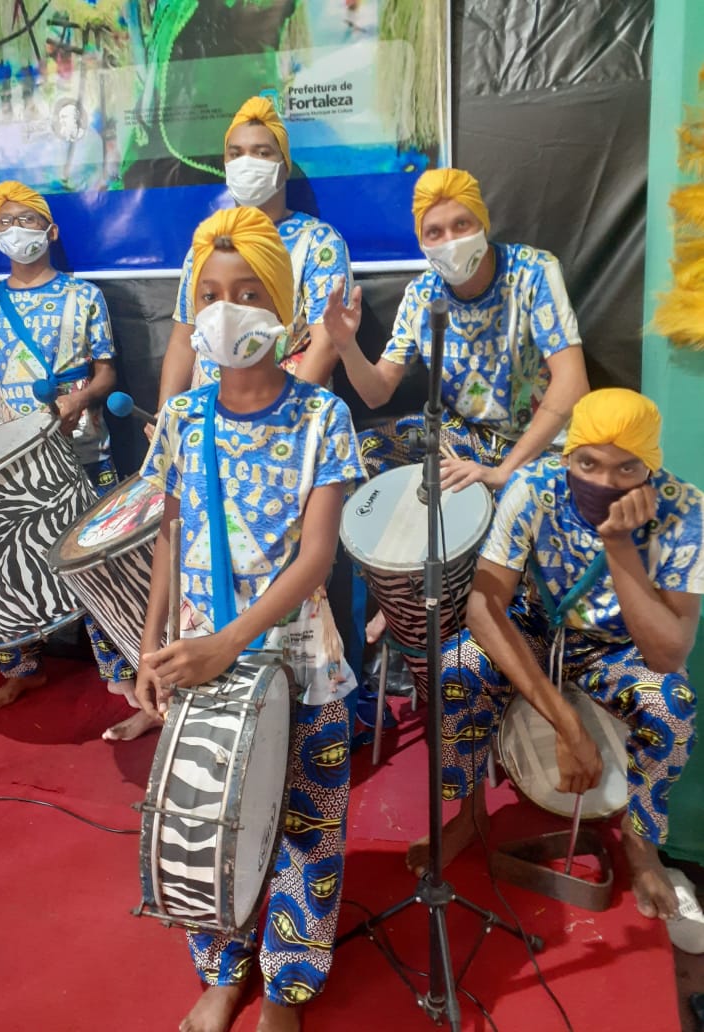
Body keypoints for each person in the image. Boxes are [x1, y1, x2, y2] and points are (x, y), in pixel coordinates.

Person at [135, 205, 365, 1032]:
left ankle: (285, 987)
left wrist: (224, 644)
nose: (227, 310)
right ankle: (223, 972)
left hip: (299, 661)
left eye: (248, 293)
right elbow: (168, 533)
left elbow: (317, 560)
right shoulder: (183, 418)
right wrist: (151, 642)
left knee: (308, 824)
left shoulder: (322, 418)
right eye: (211, 294)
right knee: (208, 826)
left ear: (284, 308)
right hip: (198, 655)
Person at [414, 388, 701, 924]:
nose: (604, 481)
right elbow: (483, 608)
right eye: (588, 463)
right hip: (538, 628)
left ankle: (640, 841)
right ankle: (469, 813)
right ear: (568, 456)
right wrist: (568, 726)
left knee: (673, 708)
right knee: (456, 667)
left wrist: (619, 544)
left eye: (626, 467)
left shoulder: (684, 511)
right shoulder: (534, 487)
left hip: (617, 647)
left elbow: (666, 654)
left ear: (650, 467)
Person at [323, 165, 590, 641]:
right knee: (357, 454)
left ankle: (503, 624)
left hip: (541, 444)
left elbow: (573, 386)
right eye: (435, 232)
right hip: (462, 436)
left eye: (461, 225)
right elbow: (377, 391)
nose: (450, 240)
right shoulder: (422, 294)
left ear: (482, 223)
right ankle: (398, 593)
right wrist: (345, 346)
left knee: (529, 496)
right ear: (422, 242)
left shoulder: (532, 272)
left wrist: (504, 470)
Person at [0, 180, 137, 727]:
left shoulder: (84, 297)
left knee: (97, 564)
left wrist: (80, 398)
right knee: (9, 565)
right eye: (5, 222)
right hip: (13, 461)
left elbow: (106, 373)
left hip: (83, 450)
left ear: (51, 231)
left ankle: (122, 670)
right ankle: (23, 666)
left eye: (27, 220)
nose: (16, 230)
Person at [158, 94, 352, 402]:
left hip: (289, 410)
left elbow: (325, 344)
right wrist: (165, 415)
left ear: (284, 167)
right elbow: (184, 340)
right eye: (235, 154)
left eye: (261, 153)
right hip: (206, 412)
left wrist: (279, 415)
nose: (246, 163)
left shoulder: (318, 243)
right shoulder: (209, 241)